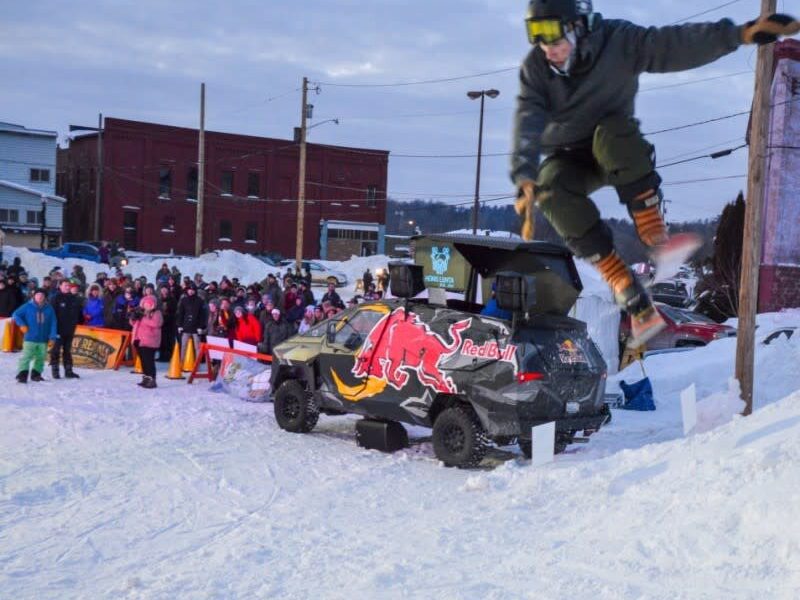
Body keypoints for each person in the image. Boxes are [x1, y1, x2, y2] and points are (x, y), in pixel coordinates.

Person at [512, 0, 800, 346]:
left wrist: (739, 34)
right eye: (537, 37)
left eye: (554, 36)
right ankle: (625, 287)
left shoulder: (618, 41)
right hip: (569, 157)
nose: (548, 48)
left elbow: (674, 44)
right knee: (550, 187)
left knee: (612, 131)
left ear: (578, 27)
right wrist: (524, 176)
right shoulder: (536, 67)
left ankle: (652, 231)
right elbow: (528, 119)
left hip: (616, 146)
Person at [12, 288, 57, 383]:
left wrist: (52, 337)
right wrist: (22, 325)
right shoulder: (28, 306)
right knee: (26, 356)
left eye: (42, 295)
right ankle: (22, 375)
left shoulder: (49, 308)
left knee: (41, 357)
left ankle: (36, 374)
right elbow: (16, 314)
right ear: (34, 296)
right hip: (30, 337)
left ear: (45, 297)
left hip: (43, 339)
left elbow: (53, 322)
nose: (40, 297)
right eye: (38, 295)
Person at [50, 279, 84, 379]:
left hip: (70, 329)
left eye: (68, 285)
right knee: (56, 350)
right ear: (60, 286)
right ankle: (55, 370)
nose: (67, 287)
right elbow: (51, 315)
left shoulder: (74, 298)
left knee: (67, 350)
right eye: (65, 285)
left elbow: (78, 313)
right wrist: (52, 329)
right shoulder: (55, 298)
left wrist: (81, 319)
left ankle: (68, 371)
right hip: (58, 329)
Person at [131, 295, 162, 389]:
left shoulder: (157, 313)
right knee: (143, 361)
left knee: (149, 361)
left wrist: (143, 318)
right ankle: (146, 378)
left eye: (149, 304)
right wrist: (133, 318)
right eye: (145, 304)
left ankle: (152, 379)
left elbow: (156, 324)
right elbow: (134, 324)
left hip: (150, 340)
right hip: (139, 339)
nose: (147, 306)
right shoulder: (141, 312)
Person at [176, 282, 207, 358]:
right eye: (189, 289)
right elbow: (181, 313)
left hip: (196, 328)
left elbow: (202, 315)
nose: (191, 291)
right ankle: (182, 362)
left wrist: (201, 327)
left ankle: (197, 363)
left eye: (193, 289)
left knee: (197, 347)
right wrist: (179, 325)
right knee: (183, 346)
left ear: (195, 291)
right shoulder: (184, 300)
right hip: (186, 327)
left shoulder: (200, 301)